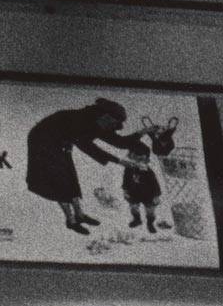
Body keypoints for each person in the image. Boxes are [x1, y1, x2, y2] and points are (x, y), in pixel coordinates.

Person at [25, 98, 141, 234]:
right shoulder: (82, 120)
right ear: (105, 116)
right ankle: (71, 220)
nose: (111, 127)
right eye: (112, 122)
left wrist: (144, 132)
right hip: (43, 140)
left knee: (70, 176)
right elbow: (88, 147)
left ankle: (79, 215)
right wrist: (119, 161)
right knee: (59, 180)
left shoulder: (101, 123)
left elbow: (120, 142)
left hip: (62, 141)